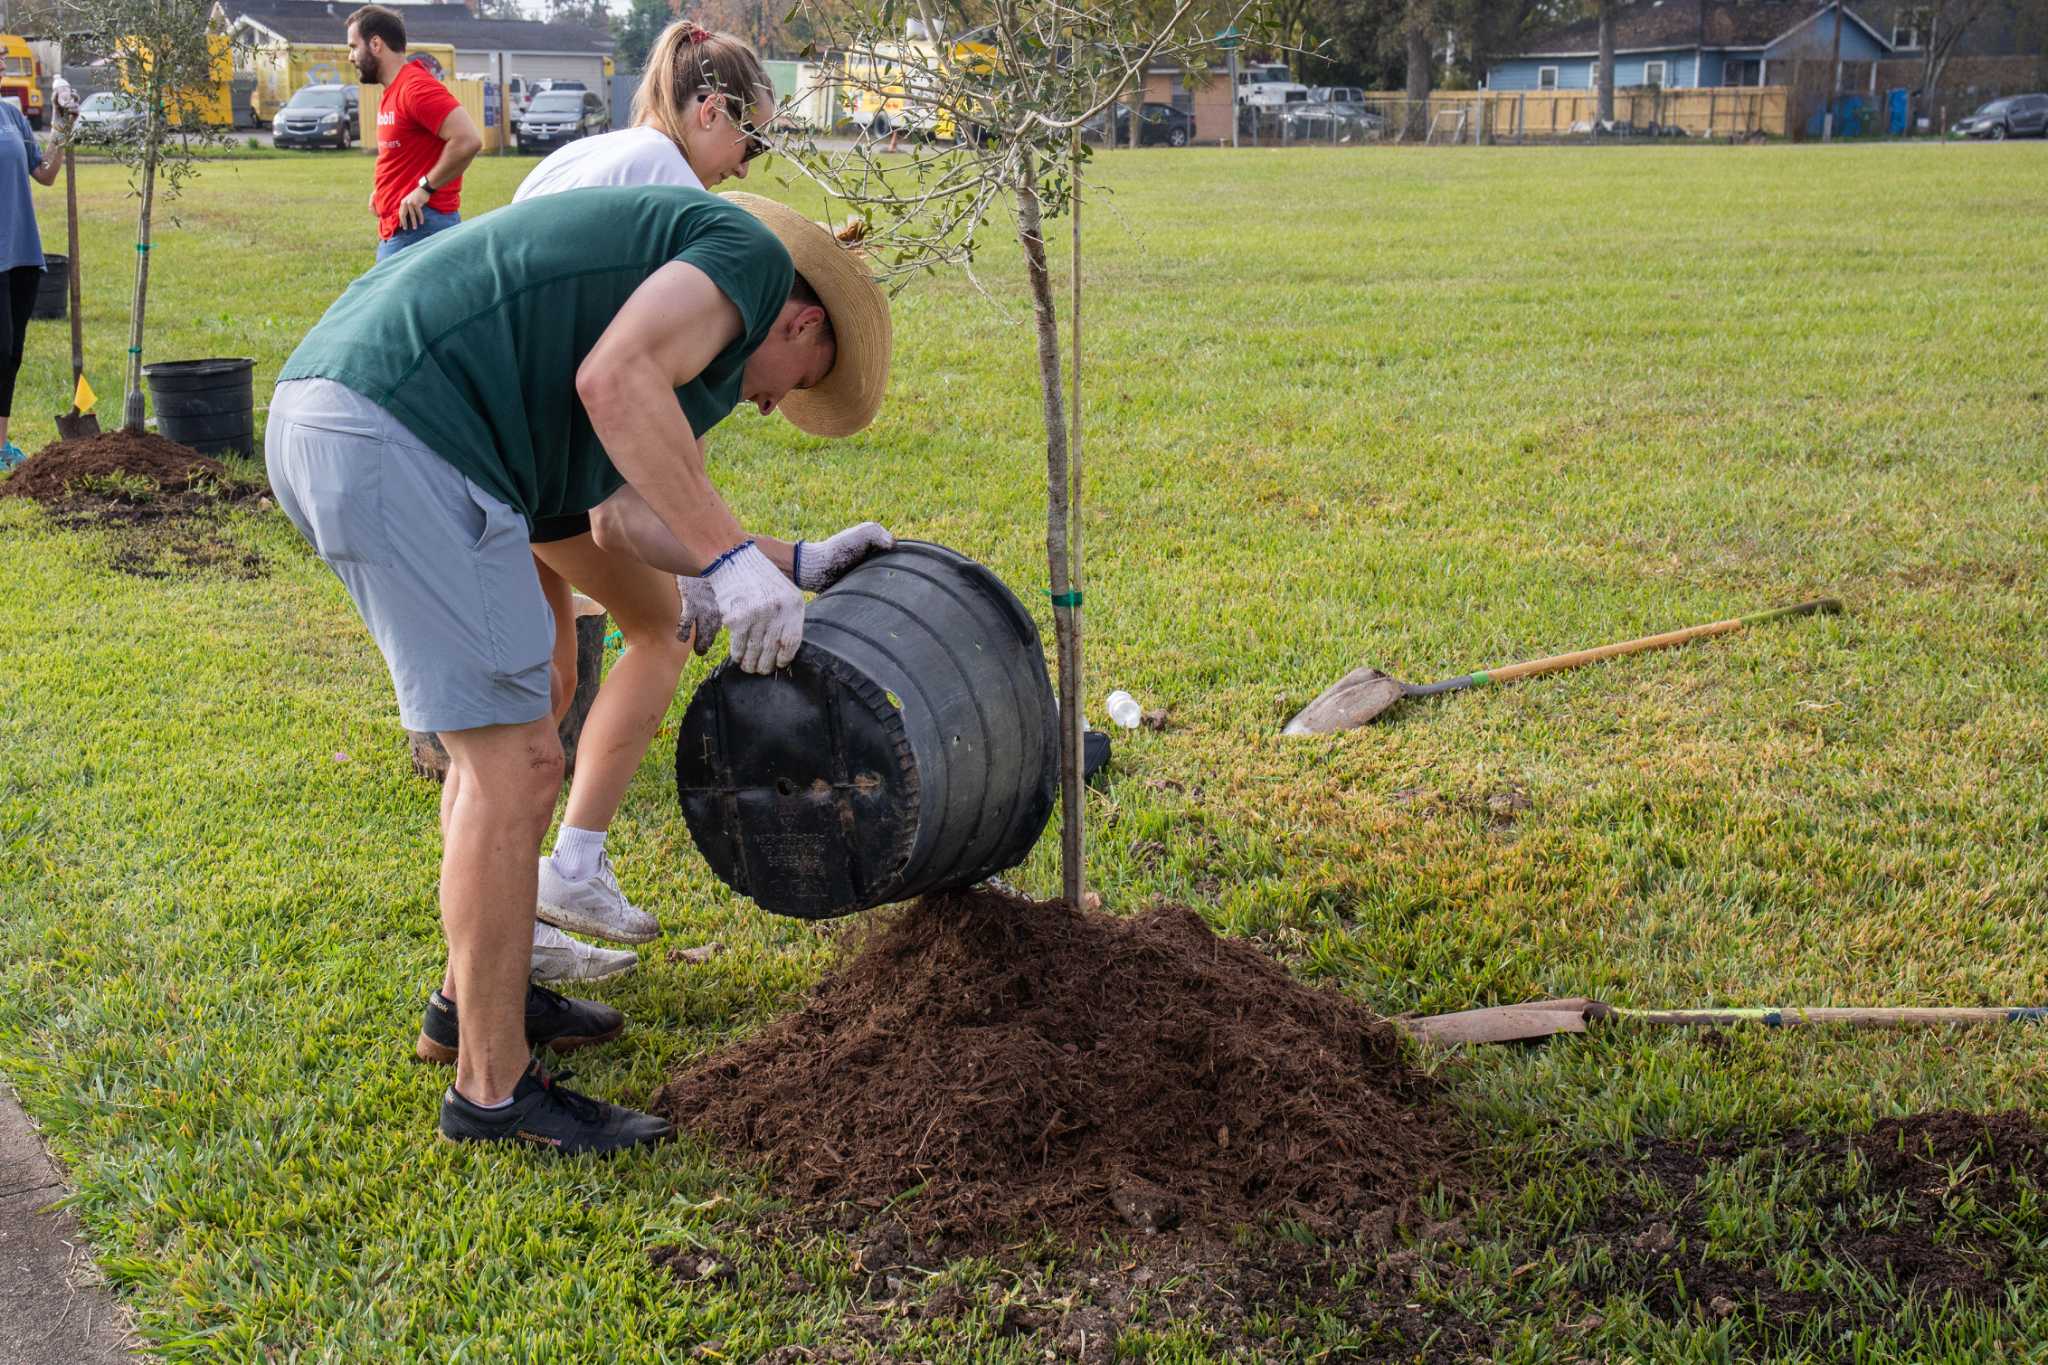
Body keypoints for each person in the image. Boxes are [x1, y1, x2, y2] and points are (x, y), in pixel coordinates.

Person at [265, 184, 893, 1154]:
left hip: (360, 415)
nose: (772, 403)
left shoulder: (668, 315)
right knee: (511, 764)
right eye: (798, 379)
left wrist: (787, 561)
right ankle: (491, 1089)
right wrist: (729, 565)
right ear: (801, 318)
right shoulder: (743, 257)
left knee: (534, 711)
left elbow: (622, 516)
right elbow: (614, 381)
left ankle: (474, 998)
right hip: (397, 428)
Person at [510, 22, 871, 986]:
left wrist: (762, 556)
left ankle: (524, 917)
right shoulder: (669, 190)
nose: (744, 168)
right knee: (654, 631)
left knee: (540, 690)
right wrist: (725, 563)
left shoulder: (598, 153)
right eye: (748, 145)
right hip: (539, 455)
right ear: (709, 112)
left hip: (519, 438)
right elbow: (633, 433)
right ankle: (566, 875)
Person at [346, 4, 481, 261]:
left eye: (353, 47)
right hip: (403, 228)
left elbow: (468, 140)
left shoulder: (415, 88)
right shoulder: (394, 90)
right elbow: (406, 153)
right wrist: (384, 192)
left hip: (420, 227)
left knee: (381, 300)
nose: (350, 57)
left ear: (375, 44)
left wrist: (424, 189)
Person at [0, 89, 63, 469]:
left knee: (11, 355)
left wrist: (61, 127)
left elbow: (45, 174)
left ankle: (1, 447)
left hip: (21, 250)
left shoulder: (10, 115)